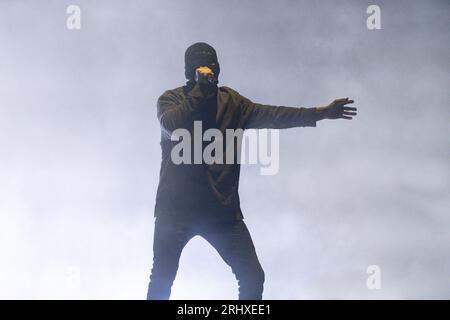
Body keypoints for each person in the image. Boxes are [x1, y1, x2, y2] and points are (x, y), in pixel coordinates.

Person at [146, 42, 357, 300]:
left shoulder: (232, 103)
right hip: (176, 212)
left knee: (252, 275)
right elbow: (170, 125)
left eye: (211, 68)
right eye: (202, 69)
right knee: (162, 277)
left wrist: (320, 113)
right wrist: (200, 92)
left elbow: (274, 116)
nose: (208, 73)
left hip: (220, 213)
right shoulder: (171, 100)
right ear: (191, 72)